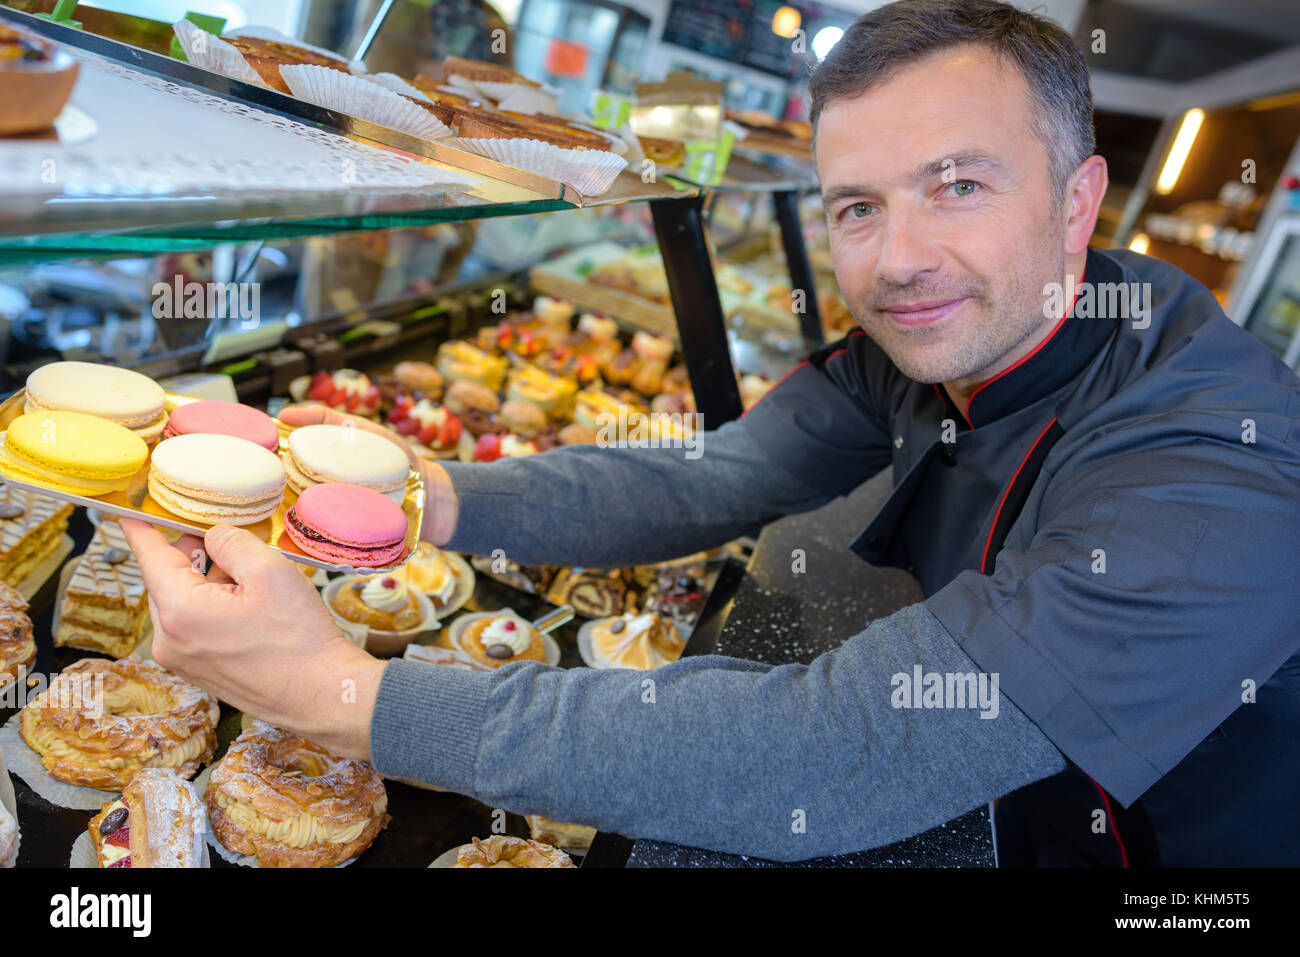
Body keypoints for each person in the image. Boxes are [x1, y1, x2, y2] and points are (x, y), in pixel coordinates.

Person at [121, 0, 1300, 866]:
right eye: (857, 206)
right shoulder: (937, 343)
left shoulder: (1214, 476)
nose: (895, 261)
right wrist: (431, 499)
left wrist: (340, 692)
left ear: (1080, 201)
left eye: (959, 186)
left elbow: (826, 751)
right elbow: (720, 474)